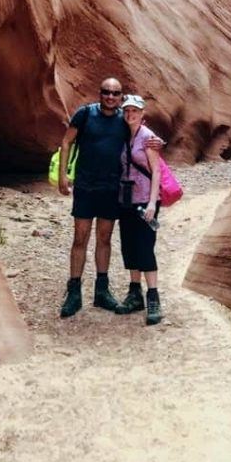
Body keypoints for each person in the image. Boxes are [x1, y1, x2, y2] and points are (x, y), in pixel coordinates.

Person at [57, 78, 160, 318]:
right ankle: (74, 291)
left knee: (104, 239)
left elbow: (141, 135)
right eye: (106, 92)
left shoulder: (123, 120)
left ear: (121, 96)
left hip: (112, 190)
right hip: (85, 187)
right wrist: (63, 176)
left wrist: (157, 142)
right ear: (100, 93)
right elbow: (66, 141)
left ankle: (101, 291)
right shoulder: (85, 114)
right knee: (80, 238)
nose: (110, 97)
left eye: (115, 93)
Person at [114, 95, 163, 326]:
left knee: (145, 247)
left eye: (135, 110)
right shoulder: (124, 135)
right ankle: (135, 294)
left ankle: (153, 297)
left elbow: (157, 172)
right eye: (127, 111)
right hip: (127, 200)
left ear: (143, 114)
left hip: (145, 200)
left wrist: (153, 203)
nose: (130, 114)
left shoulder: (148, 138)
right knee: (129, 246)